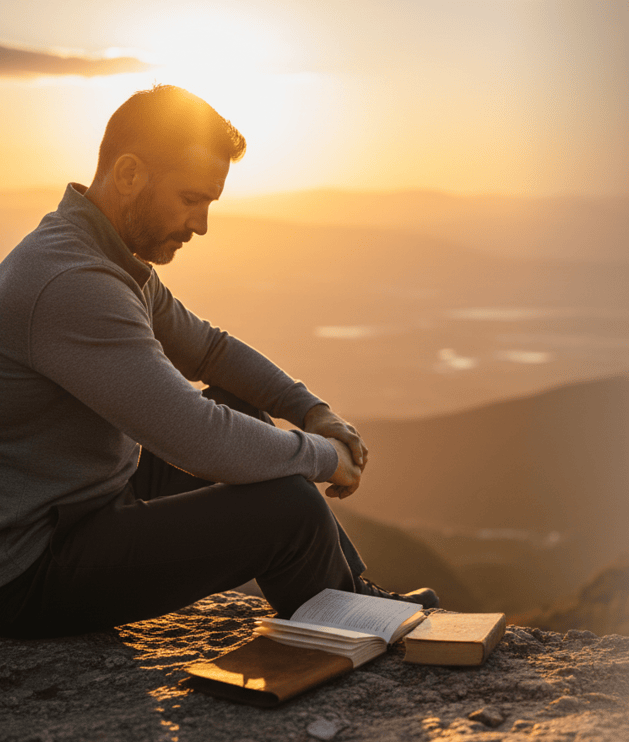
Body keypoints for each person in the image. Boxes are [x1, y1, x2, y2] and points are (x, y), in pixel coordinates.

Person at [0, 85, 438, 639]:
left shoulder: (95, 251)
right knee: (289, 511)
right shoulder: (73, 283)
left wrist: (311, 410)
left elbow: (209, 350)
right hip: (29, 565)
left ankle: (350, 598)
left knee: (241, 407)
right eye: (191, 199)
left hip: (82, 496)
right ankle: (348, 632)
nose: (202, 223)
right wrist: (325, 457)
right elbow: (198, 439)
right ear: (130, 173)